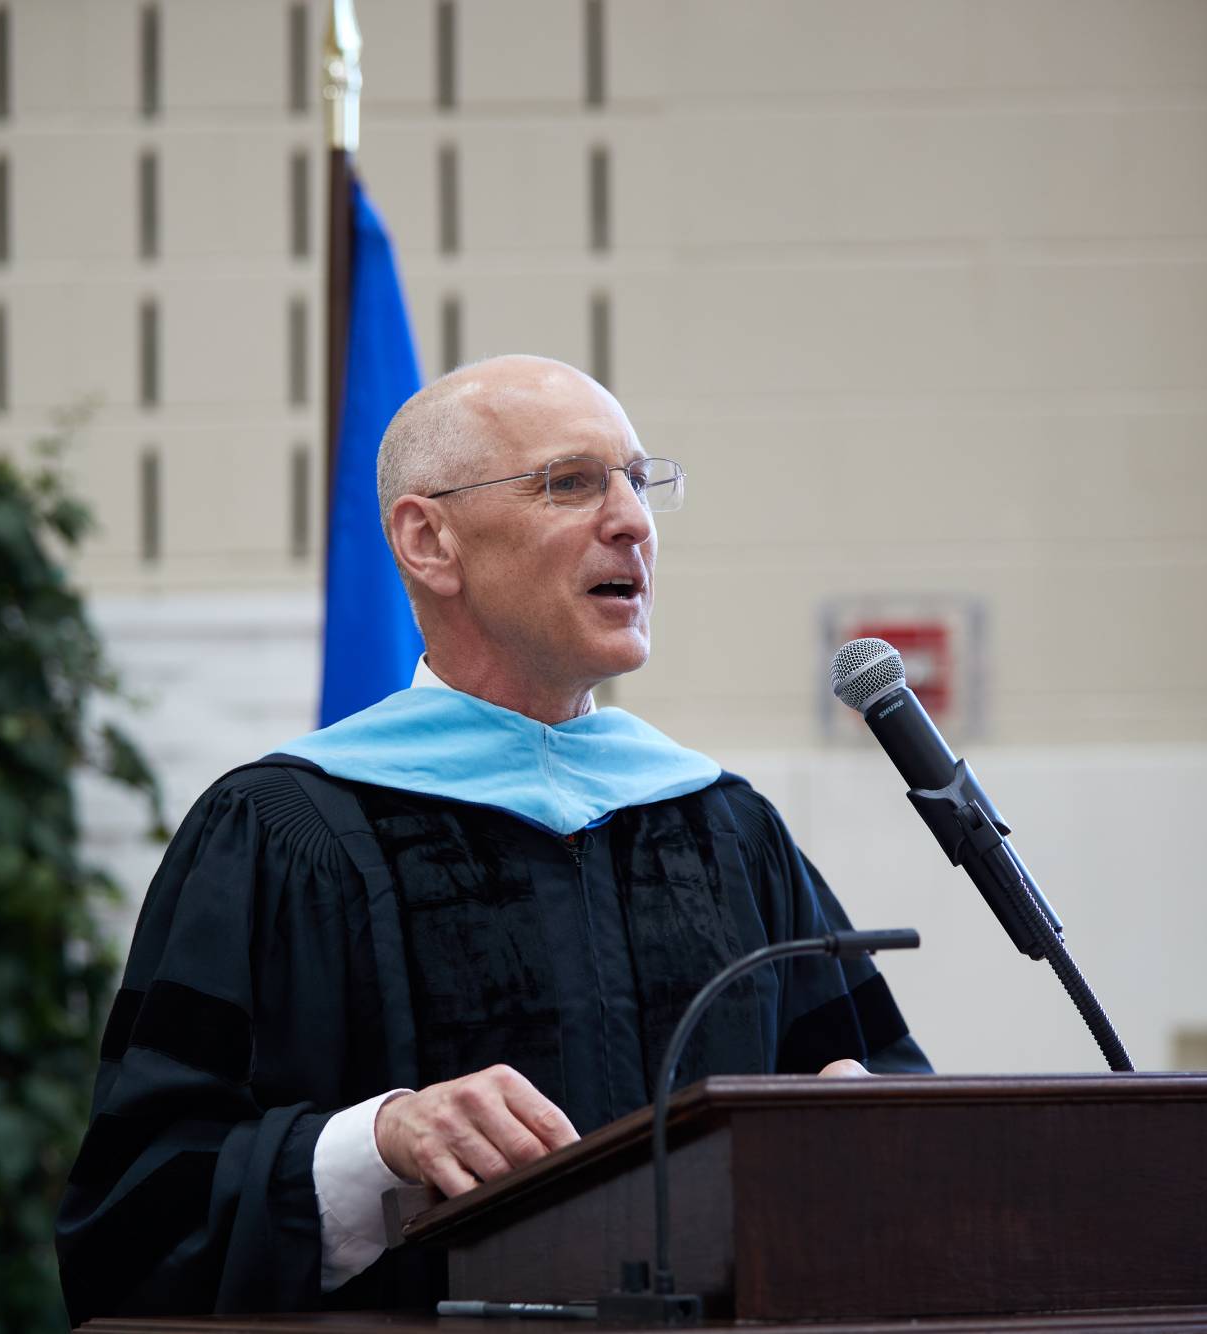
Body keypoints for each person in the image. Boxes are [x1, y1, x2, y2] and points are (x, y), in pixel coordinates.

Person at [55, 355, 931, 1324]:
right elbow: (138, 1218)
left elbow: (876, 1091)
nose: (633, 521)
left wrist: (866, 1117)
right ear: (428, 539)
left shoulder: (722, 827)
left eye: (638, 481)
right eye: (571, 482)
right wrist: (374, 1141)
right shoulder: (280, 833)